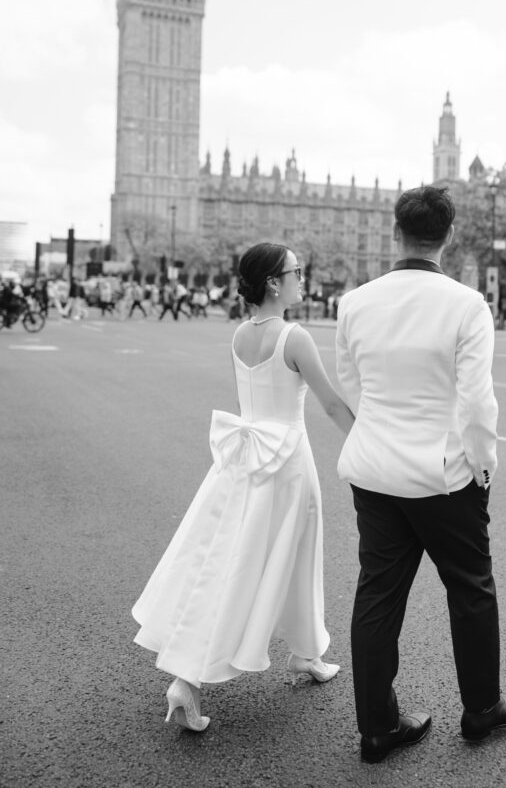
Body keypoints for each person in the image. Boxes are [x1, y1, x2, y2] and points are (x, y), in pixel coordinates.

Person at [132, 242, 355, 731]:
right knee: (288, 556)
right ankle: (192, 677)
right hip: (288, 461)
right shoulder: (294, 337)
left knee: (228, 559)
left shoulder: (239, 335)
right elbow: (332, 405)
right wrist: (367, 440)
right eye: (297, 270)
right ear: (274, 282)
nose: (303, 277)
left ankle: (306, 652)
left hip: (243, 459)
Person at [335, 184, 506, 764]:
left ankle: (378, 727)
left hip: (374, 470)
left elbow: (352, 385)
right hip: (442, 474)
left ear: (397, 231)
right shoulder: (465, 304)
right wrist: (483, 466)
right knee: (469, 588)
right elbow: (477, 404)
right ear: (450, 234)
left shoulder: (355, 302)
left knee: (377, 597)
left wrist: (380, 433)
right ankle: (482, 708)